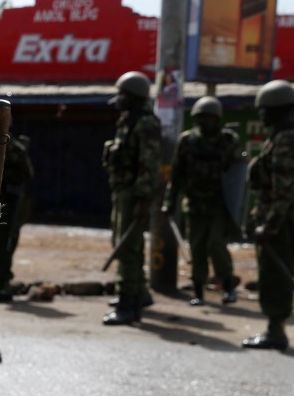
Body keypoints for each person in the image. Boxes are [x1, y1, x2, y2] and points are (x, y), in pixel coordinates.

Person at [242, 79, 294, 351]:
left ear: (279, 110)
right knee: (278, 273)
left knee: (274, 275)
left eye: (265, 109)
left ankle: (276, 331)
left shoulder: (285, 140)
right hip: (287, 218)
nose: (261, 115)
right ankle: (275, 327)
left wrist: (269, 225)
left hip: (279, 221)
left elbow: (283, 190)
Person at [161, 96, 241, 306]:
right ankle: (198, 291)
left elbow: (238, 173)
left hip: (218, 204)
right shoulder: (187, 141)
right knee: (196, 248)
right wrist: (169, 201)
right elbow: (176, 174)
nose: (205, 122)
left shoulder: (228, 141)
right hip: (195, 204)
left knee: (216, 244)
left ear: (217, 119)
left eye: (209, 118)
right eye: (201, 118)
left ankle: (228, 286)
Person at [101, 71, 161, 325]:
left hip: (134, 194)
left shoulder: (146, 123)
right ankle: (137, 294)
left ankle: (128, 305)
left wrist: (143, 199)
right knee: (123, 242)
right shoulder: (128, 120)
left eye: (123, 94)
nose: (119, 99)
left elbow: (149, 164)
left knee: (127, 248)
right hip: (122, 190)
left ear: (134, 97)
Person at [0, 129, 35, 301]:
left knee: (4, 244)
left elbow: (27, 174)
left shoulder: (13, 148)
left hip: (8, 203)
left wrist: (5, 177)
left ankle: (0, 284)